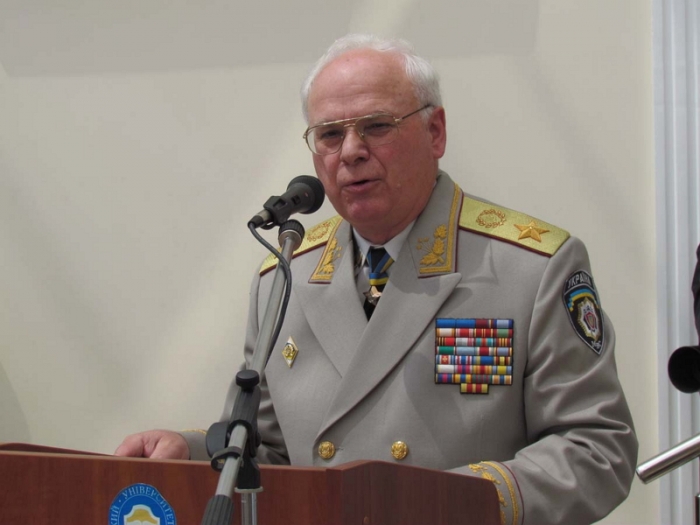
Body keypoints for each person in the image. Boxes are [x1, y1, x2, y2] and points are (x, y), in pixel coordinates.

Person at [116, 34, 638, 525]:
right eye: (330, 134)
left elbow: (597, 447)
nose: (350, 151)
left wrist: (452, 503)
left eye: (377, 126)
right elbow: (272, 453)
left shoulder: (531, 266)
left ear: (435, 132)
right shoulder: (286, 275)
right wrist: (191, 452)